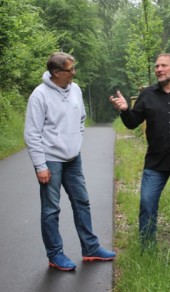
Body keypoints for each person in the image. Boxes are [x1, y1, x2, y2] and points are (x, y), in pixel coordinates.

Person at [109, 53, 170, 267]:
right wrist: (126, 110)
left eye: (163, 65)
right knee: (147, 205)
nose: (159, 69)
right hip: (156, 162)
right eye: (156, 66)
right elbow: (132, 123)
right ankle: (147, 253)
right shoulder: (147, 95)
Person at [24, 52, 116, 271]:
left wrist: (75, 139)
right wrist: (40, 165)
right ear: (56, 73)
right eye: (70, 69)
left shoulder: (75, 89)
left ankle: (90, 248)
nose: (74, 72)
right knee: (51, 210)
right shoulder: (39, 96)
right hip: (50, 161)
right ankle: (55, 255)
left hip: (73, 159)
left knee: (82, 202)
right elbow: (31, 133)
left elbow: (81, 117)